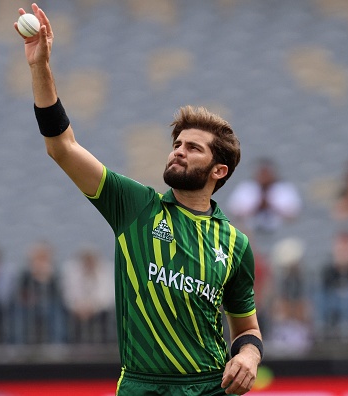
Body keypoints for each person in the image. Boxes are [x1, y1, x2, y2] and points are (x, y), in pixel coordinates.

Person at [15, 4, 262, 395]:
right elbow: (62, 147)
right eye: (176, 144)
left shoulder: (235, 244)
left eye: (193, 148)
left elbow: (246, 329)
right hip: (140, 387)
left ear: (219, 171)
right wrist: (39, 65)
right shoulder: (136, 206)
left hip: (208, 388)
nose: (178, 150)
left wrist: (248, 356)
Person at [227, 158, 301, 235]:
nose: (264, 176)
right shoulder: (245, 188)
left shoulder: (285, 189)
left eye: (267, 173)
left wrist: (270, 205)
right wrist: (257, 206)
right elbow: (235, 212)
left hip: (281, 231)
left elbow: (293, 214)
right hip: (250, 230)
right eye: (262, 173)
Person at [11, 240, 65, 344]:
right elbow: (19, 292)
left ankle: (58, 344)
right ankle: (17, 345)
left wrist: (45, 278)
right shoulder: (26, 274)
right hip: (28, 306)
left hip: (49, 306)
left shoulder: (54, 275)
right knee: (17, 314)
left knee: (57, 314)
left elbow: (58, 294)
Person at [317, 230, 348, 341]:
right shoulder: (328, 268)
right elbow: (326, 285)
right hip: (333, 299)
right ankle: (324, 328)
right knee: (319, 296)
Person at [61, 245, 115, 343]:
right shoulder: (73, 273)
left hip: (99, 310)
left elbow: (107, 296)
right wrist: (78, 306)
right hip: (77, 310)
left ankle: (105, 343)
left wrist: (93, 306)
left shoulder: (105, 272)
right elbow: (69, 294)